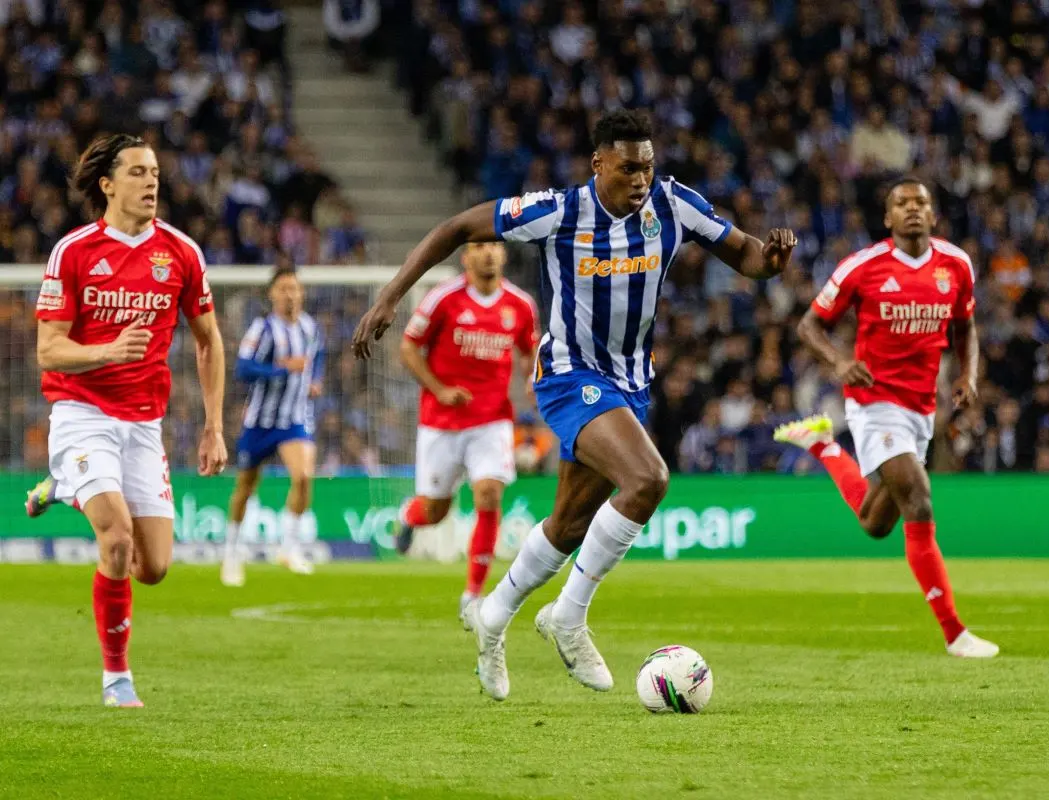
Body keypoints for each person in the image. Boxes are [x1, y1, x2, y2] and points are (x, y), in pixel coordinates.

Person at [353, 110, 796, 701]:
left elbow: (746, 254)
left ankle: (492, 617)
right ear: (598, 164)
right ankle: (569, 615)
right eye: (628, 168)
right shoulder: (558, 212)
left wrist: (772, 260)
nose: (640, 179)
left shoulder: (673, 204)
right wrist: (390, 297)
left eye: (647, 167)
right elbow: (458, 227)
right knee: (648, 479)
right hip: (569, 374)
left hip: (630, 382)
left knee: (567, 525)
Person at [24, 133, 228, 706]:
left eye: (155, 172)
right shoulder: (74, 252)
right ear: (107, 185)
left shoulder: (182, 253)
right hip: (81, 413)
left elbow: (209, 342)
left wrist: (213, 426)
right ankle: (117, 678)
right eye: (137, 172)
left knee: (152, 566)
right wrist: (107, 351)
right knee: (115, 539)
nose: (151, 182)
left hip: (143, 424)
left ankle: (62, 485)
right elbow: (48, 350)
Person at [775, 177, 999, 659]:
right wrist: (839, 362)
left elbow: (965, 326)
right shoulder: (863, 267)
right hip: (873, 401)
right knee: (918, 498)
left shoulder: (956, 265)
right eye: (902, 203)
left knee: (876, 523)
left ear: (933, 214)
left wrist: (968, 373)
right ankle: (955, 633)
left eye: (921, 202)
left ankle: (822, 446)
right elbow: (809, 325)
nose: (912, 208)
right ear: (887, 217)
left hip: (922, 406)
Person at [392, 241, 538, 622]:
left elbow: (529, 352)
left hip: (492, 420)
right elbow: (408, 348)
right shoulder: (443, 299)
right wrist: (439, 390)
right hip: (441, 422)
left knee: (489, 494)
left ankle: (473, 594)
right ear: (465, 257)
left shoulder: (521, 305)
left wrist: (533, 382)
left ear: (503, 254)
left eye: (494, 245)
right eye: (478, 246)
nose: (488, 253)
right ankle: (410, 515)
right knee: (435, 511)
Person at [220, 266, 324, 587]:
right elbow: (242, 368)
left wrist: (316, 379)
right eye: (283, 289)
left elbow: (318, 356)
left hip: (294, 419)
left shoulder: (310, 327)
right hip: (260, 421)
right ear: (272, 294)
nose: (290, 295)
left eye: (294, 288)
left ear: (301, 293)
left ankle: (289, 548)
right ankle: (232, 552)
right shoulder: (263, 328)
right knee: (245, 488)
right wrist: (281, 370)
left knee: (303, 477)